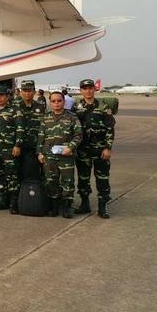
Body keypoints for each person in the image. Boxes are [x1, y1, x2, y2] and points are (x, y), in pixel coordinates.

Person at [73, 78, 115, 218]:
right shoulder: (76, 108)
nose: (88, 90)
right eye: (85, 88)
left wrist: (108, 148)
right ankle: (85, 204)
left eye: (90, 88)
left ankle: (103, 206)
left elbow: (110, 128)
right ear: (81, 91)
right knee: (83, 178)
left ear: (94, 89)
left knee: (102, 178)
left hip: (100, 149)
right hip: (83, 150)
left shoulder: (103, 107)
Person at [37, 91, 82, 218]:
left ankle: (67, 207)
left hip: (66, 156)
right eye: (53, 101)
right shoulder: (46, 117)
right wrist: (39, 153)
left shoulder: (72, 117)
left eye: (59, 100)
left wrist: (71, 147)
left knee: (67, 181)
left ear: (64, 102)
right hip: (49, 156)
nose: (56, 103)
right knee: (51, 181)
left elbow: (79, 135)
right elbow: (41, 137)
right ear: (50, 103)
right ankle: (54, 206)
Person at [0, 85, 24, 213]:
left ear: (7, 96)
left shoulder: (15, 110)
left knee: (12, 177)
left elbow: (20, 129)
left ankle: (14, 203)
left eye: (1, 95)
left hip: (10, 150)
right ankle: (2, 200)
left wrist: (17, 145)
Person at [14, 80, 45, 184]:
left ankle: (32, 197)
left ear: (34, 91)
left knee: (32, 174)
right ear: (21, 91)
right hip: (17, 147)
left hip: (33, 147)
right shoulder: (14, 106)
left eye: (30, 90)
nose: (27, 93)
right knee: (16, 174)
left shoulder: (40, 107)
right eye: (25, 90)